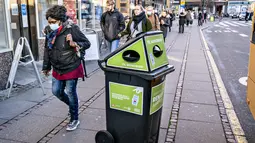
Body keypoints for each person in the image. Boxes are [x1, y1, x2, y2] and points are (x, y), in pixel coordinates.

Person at [42, 5, 91, 131]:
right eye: (49, 22)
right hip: (57, 67)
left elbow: (87, 43)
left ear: (60, 20)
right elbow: (47, 49)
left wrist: (75, 43)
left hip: (71, 66)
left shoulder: (71, 28)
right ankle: (73, 105)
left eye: (53, 22)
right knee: (56, 91)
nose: (50, 24)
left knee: (70, 92)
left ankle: (74, 118)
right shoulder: (49, 30)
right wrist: (46, 67)